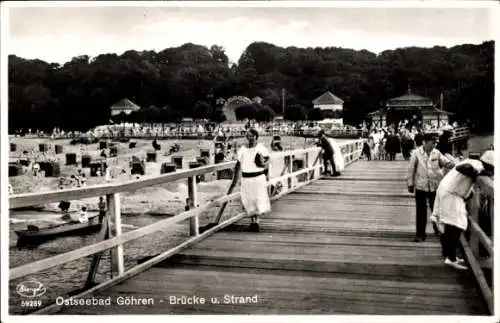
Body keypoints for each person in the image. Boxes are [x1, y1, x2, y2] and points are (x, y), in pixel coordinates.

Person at [431, 150, 494, 270]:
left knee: (453, 225)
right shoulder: (475, 164)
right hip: (451, 194)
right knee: (456, 225)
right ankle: (451, 258)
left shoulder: (474, 162)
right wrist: (478, 172)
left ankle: (450, 255)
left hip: (451, 193)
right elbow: (462, 168)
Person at [407, 133, 455, 242]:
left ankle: (437, 229)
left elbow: (447, 163)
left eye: (436, 142)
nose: (435, 144)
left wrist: (458, 165)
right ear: (425, 142)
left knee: (436, 209)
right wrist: (410, 184)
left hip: (435, 186)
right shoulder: (416, 153)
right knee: (421, 212)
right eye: (433, 142)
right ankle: (420, 234)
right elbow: (411, 169)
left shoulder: (436, 153)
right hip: (421, 186)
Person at [227, 128, 271, 232]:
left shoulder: (261, 148)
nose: (249, 137)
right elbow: (238, 163)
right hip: (246, 177)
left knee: (257, 199)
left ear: (255, 136)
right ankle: (253, 220)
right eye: (247, 135)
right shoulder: (243, 149)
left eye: (251, 135)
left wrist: (263, 164)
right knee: (249, 200)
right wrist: (235, 178)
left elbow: (268, 160)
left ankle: (256, 222)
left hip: (258, 177)